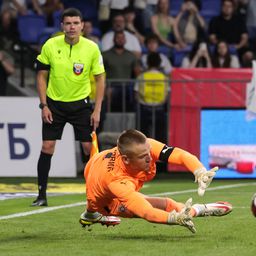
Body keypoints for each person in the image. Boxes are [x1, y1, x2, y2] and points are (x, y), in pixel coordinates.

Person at [79, 129, 232, 232]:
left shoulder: (145, 147)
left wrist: (199, 170)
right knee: (168, 206)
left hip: (98, 162)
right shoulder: (116, 181)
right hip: (106, 201)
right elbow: (147, 212)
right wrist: (174, 218)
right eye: (142, 157)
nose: (149, 158)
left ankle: (90, 214)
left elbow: (179, 154)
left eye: (149, 153)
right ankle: (200, 209)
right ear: (125, 159)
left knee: (169, 205)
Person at [31, 8, 106, 206]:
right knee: (47, 146)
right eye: (68, 23)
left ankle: (98, 194)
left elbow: (100, 79)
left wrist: (96, 109)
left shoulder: (92, 48)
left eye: (75, 23)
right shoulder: (50, 45)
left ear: (82, 25)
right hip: (54, 104)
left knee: (89, 147)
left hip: (81, 105)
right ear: (62, 26)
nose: (72, 27)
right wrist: (43, 105)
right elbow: (40, 76)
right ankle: (41, 195)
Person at [102, 30, 141, 111]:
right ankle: (108, 119)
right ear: (113, 40)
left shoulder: (131, 56)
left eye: (122, 38)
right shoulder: (105, 55)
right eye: (118, 38)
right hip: (110, 87)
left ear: (125, 40)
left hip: (127, 87)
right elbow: (100, 73)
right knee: (108, 93)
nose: (120, 40)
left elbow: (137, 73)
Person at [134, 52, 168, 142]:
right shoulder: (164, 77)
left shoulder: (141, 77)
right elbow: (167, 95)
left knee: (142, 138)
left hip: (144, 109)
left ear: (147, 63)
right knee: (160, 138)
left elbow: (136, 95)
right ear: (160, 63)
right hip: (159, 109)